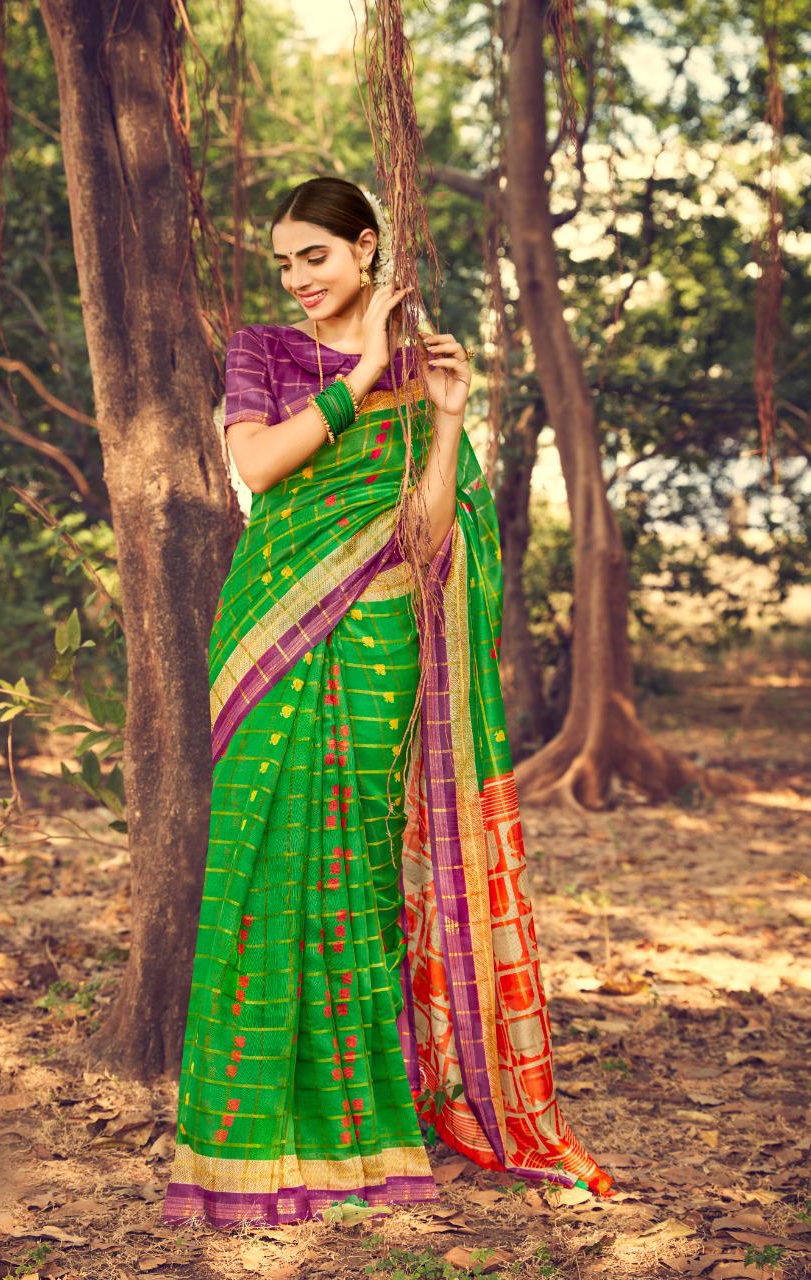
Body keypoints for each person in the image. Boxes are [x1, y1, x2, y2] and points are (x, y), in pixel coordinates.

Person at [161, 176, 613, 1231]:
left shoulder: (422, 371)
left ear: (366, 248)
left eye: (314, 256)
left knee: (360, 868)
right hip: (269, 633)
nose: (297, 278)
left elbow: (425, 531)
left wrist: (446, 421)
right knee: (259, 859)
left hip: (378, 643)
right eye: (284, 262)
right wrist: (362, 369)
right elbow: (258, 463)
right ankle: (247, 1125)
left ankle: (366, 1124)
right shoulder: (262, 352)